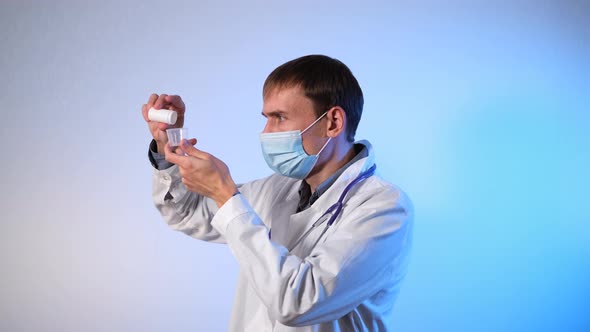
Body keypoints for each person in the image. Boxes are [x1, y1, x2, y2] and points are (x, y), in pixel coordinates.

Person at [142, 54, 413, 331]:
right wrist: (166, 147)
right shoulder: (276, 187)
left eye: (279, 118)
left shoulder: (384, 208)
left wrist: (226, 195)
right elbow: (186, 213)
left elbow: (297, 303)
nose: (266, 132)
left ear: (332, 122)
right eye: (266, 118)